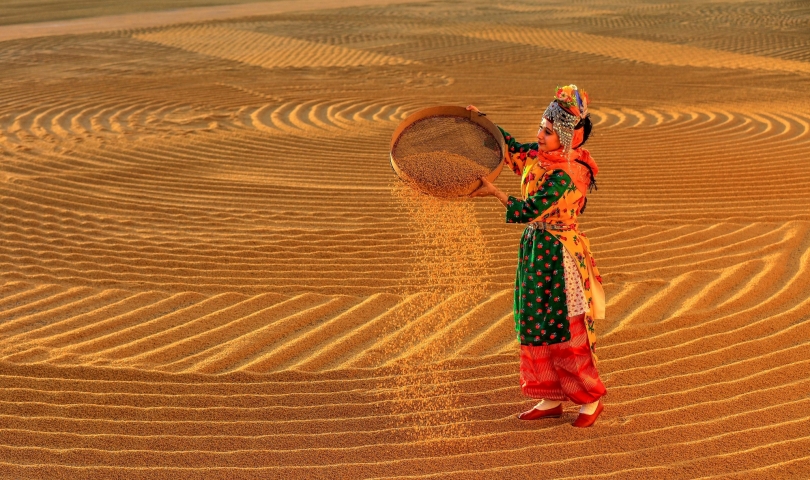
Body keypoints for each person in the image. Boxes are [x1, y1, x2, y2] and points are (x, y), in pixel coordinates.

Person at [468, 85, 607, 427]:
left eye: (546, 131)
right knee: (534, 321)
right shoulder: (541, 157)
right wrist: (482, 123)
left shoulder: (569, 174)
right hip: (536, 250)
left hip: (560, 255)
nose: (539, 136)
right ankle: (551, 397)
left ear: (565, 137)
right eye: (540, 128)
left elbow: (532, 208)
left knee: (566, 326)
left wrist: (495, 192)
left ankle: (589, 400)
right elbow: (512, 149)